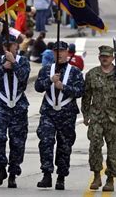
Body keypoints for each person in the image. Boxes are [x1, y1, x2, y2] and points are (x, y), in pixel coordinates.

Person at [35, 41, 85, 190]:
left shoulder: (75, 71)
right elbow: (37, 87)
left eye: (62, 51)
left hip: (67, 113)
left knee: (64, 146)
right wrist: (50, 81)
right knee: (45, 141)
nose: (59, 54)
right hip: (48, 112)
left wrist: (63, 87)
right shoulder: (46, 70)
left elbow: (80, 91)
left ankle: (61, 177)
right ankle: (46, 174)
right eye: (56, 51)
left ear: (67, 52)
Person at [83, 45, 116, 192]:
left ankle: (110, 178)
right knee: (95, 147)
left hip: (113, 117)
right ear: (99, 57)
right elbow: (86, 96)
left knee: (112, 150)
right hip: (97, 116)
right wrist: (85, 115)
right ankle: (96, 175)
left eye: (107, 56)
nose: (105, 58)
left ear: (113, 58)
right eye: (102, 56)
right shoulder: (92, 74)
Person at [0, 35, 30, 188]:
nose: (8, 47)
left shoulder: (23, 61)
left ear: (16, 46)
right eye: (6, 45)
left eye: (11, 45)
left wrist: (14, 63)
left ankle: (13, 173)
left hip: (18, 105)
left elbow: (24, 77)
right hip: (0, 104)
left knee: (17, 141)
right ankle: (1, 168)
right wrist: (3, 67)